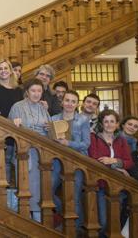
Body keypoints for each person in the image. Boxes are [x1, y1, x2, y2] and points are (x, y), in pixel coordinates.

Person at [8, 79, 51, 222]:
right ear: (27, 91)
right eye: (33, 90)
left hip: (41, 154)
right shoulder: (17, 106)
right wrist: (14, 125)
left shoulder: (43, 108)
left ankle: (38, 221)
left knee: (40, 190)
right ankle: (25, 220)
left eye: (39, 91)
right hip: (24, 153)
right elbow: (8, 128)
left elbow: (51, 130)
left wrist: (48, 129)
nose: (36, 94)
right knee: (26, 188)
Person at [88, 109, 133, 236]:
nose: (109, 124)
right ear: (101, 124)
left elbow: (129, 162)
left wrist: (113, 160)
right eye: (106, 121)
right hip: (102, 185)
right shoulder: (94, 138)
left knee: (116, 222)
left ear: (117, 124)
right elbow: (95, 159)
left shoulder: (121, 140)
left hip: (119, 186)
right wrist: (119, 167)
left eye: (112, 121)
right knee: (103, 223)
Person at [50, 90, 91, 227]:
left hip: (77, 162)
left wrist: (69, 143)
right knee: (47, 190)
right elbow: (49, 141)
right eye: (67, 100)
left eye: (73, 101)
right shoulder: (54, 119)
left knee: (74, 197)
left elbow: (86, 144)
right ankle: (64, 213)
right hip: (56, 160)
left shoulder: (83, 120)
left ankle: (76, 228)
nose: (69, 103)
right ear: (62, 102)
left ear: (77, 104)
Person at [0, 59, 24, 190]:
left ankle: (5, 191)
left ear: (10, 71)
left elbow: (21, 108)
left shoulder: (18, 90)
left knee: (7, 161)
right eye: (0, 69)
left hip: (12, 129)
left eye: (6, 68)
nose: (3, 71)